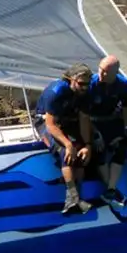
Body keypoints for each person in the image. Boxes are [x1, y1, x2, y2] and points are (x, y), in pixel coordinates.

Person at [34, 64, 93, 215]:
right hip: (46, 121)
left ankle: (77, 197)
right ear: (70, 79)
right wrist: (67, 144)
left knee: (80, 153)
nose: (85, 87)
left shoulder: (85, 93)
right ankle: (72, 198)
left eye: (88, 83)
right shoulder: (56, 92)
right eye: (81, 84)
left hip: (67, 120)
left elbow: (84, 119)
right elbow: (50, 124)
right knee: (65, 153)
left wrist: (87, 144)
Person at [82, 55, 127, 205]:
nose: (101, 74)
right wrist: (95, 133)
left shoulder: (123, 84)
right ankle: (110, 188)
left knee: (123, 144)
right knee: (99, 148)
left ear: (115, 74)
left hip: (110, 120)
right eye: (100, 69)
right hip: (91, 122)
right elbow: (83, 114)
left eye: (106, 72)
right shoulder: (91, 84)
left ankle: (111, 189)